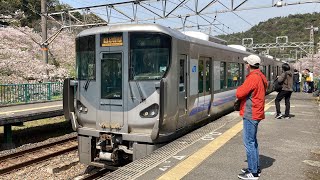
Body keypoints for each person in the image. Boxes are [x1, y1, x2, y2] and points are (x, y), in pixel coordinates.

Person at [236, 54, 267, 180]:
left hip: (251, 112)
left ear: (249, 65)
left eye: (246, 64)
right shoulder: (261, 76)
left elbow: (239, 93)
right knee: (253, 142)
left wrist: (240, 87)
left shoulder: (253, 78)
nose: (246, 65)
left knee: (249, 142)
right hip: (256, 111)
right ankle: (255, 168)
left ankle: (253, 172)